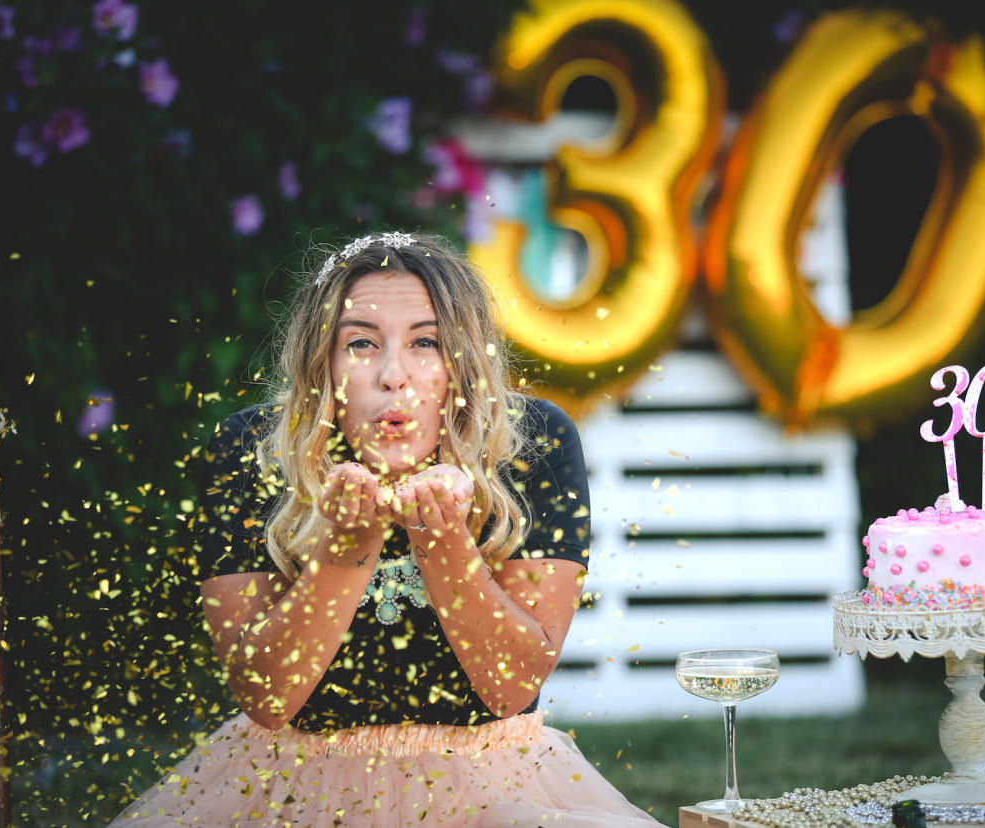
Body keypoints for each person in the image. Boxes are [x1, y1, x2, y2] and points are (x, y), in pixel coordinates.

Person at [110, 232, 662, 826]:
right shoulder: (252, 450)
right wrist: (346, 547)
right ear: (321, 363)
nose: (393, 375)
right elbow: (268, 697)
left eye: (426, 342)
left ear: (466, 364)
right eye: (361, 345)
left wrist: (444, 544)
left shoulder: (531, 443)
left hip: (497, 784)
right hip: (283, 783)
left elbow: (509, 686)